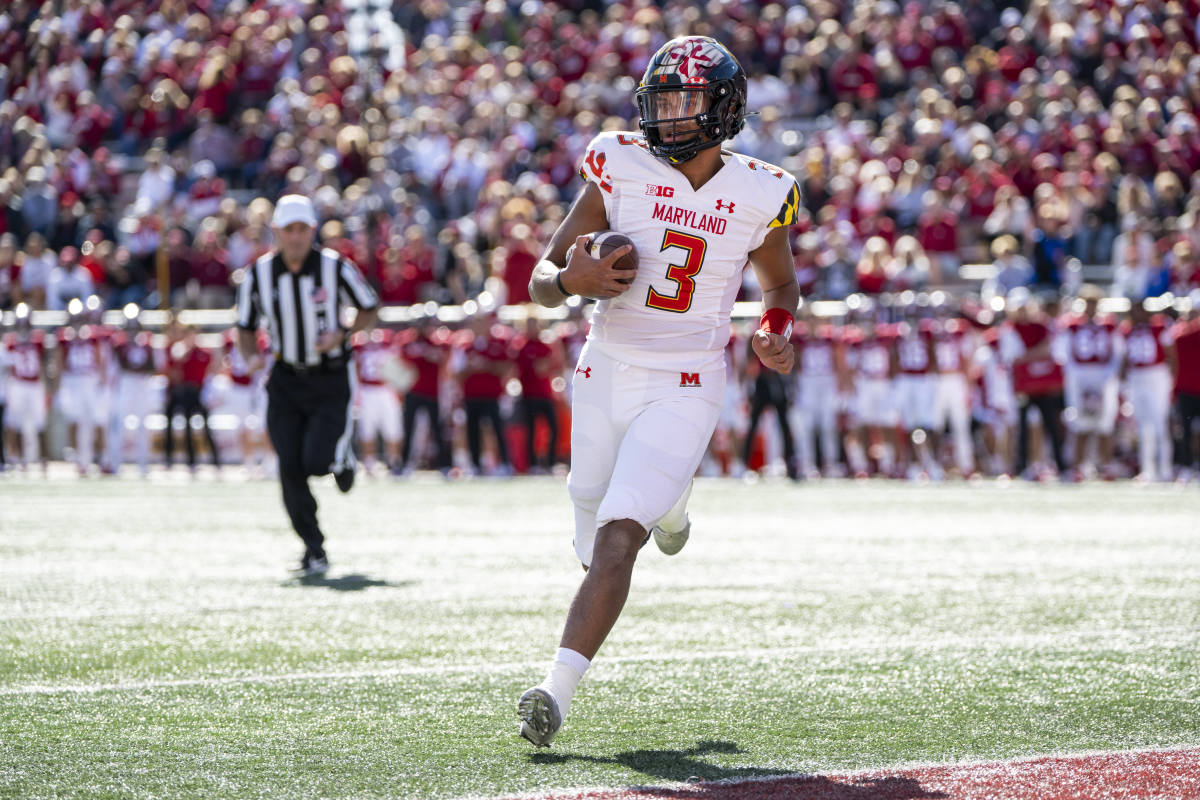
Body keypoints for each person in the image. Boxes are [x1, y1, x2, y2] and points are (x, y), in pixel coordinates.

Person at [518, 36, 799, 747]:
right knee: (588, 512)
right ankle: (671, 504)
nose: (669, 115)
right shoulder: (619, 163)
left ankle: (555, 691)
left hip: (687, 380)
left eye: (686, 101)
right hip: (605, 365)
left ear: (725, 110)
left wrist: (773, 327)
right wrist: (572, 283)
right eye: (662, 99)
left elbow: (780, 282)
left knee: (618, 540)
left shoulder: (760, 189)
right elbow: (541, 279)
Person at [234, 195, 379, 575]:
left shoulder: (335, 267)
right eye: (289, 230)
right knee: (290, 467)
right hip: (284, 378)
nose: (296, 237)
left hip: (330, 377)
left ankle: (342, 455)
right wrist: (250, 357)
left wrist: (342, 333)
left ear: (312, 231)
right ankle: (313, 548)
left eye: (302, 229)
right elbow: (245, 327)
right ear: (276, 232)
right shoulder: (258, 274)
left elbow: (369, 306)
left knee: (315, 461)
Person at [163, 324, 221, 472]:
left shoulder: (204, 352)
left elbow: (213, 370)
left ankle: (215, 461)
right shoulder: (179, 350)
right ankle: (184, 461)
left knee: (205, 426)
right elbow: (172, 372)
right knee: (182, 425)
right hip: (181, 391)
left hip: (198, 391)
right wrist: (181, 356)